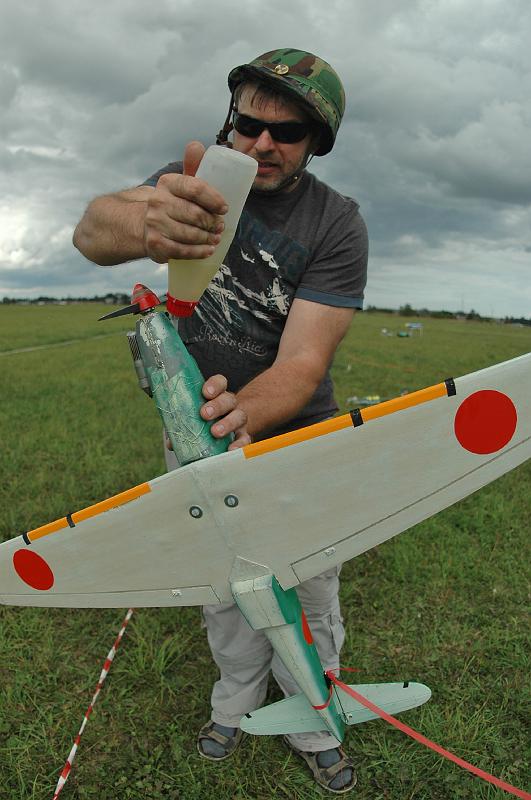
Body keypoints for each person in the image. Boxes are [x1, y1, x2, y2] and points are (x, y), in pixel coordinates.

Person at [73, 47, 368, 794]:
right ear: (229, 119)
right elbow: (94, 230)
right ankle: (234, 701)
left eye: (288, 132)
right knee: (227, 590)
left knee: (308, 589)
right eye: (247, 123)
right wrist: (148, 225)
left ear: (316, 142)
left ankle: (314, 718)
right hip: (194, 435)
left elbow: (304, 362)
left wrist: (242, 414)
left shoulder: (336, 222)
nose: (261, 143)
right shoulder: (191, 184)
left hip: (293, 439)